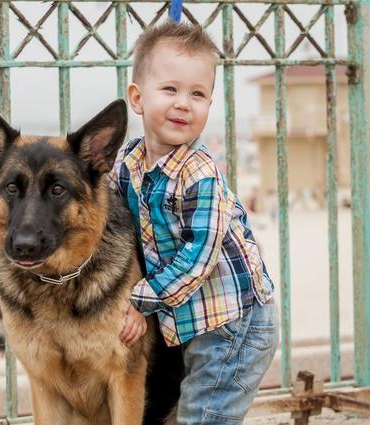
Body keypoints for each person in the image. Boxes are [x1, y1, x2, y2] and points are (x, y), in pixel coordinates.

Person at [110, 21, 278, 424]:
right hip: (197, 322)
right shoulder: (128, 164)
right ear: (137, 97)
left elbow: (198, 258)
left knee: (204, 417)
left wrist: (139, 299)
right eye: (170, 89)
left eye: (198, 94)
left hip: (235, 326)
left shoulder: (200, 174)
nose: (184, 103)